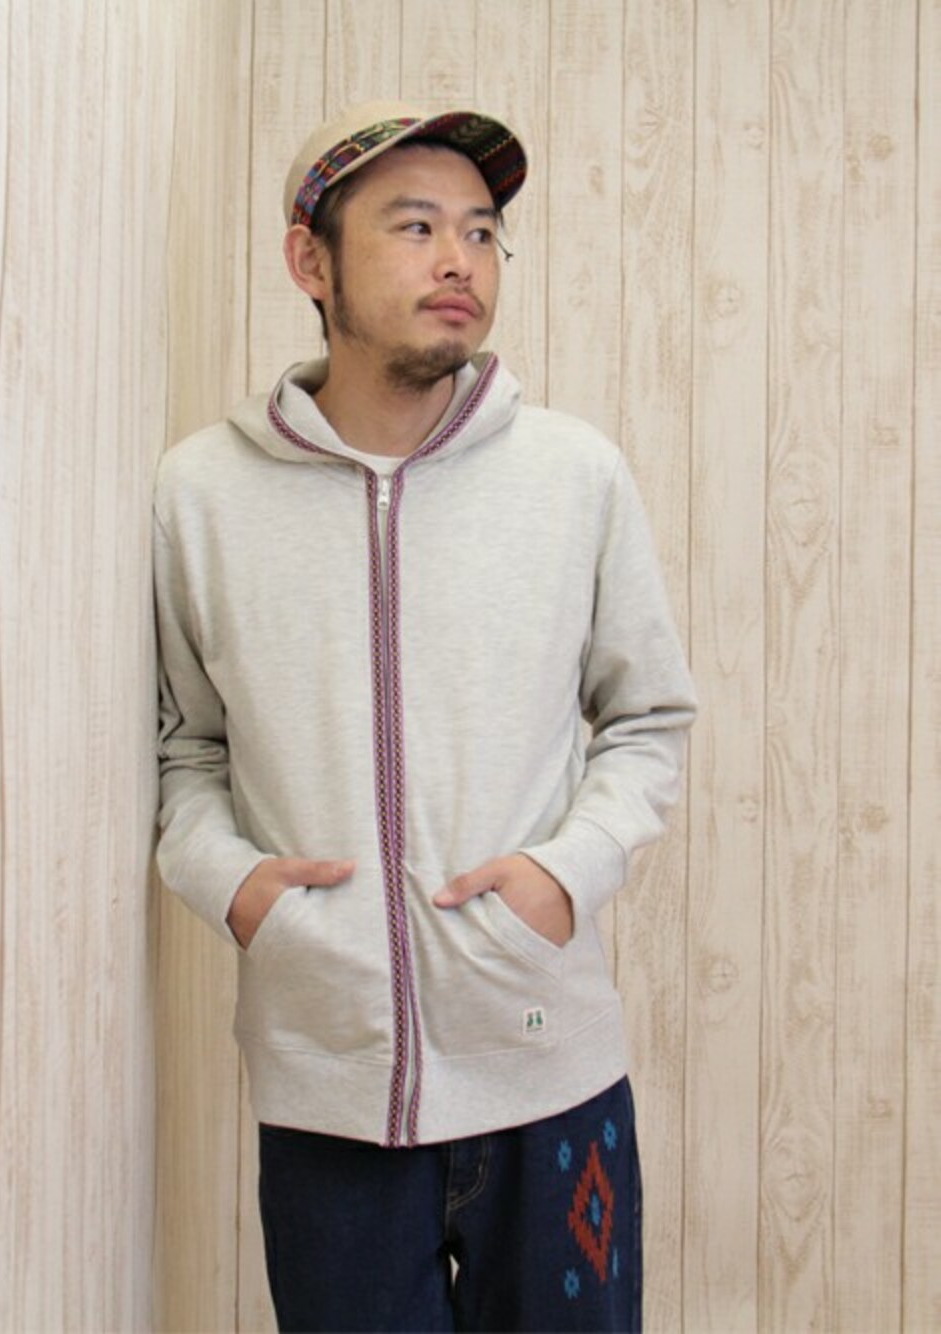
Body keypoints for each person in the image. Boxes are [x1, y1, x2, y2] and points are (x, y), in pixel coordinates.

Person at [153, 99, 696, 1333]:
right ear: (311, 261)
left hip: (549, 1072)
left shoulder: (573, 476)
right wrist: (240, 889)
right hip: (325, 1087)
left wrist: (566, 872)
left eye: (482, 230)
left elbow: (648, 716)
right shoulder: (201, 494)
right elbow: (184, 746)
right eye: (413, 227)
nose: (459, 258)